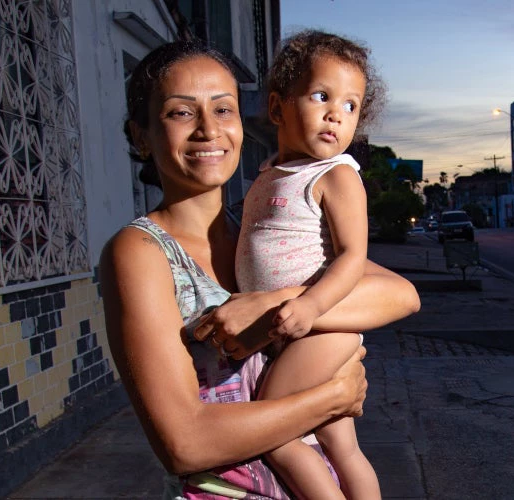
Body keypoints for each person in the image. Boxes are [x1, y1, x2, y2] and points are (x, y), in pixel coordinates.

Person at [100, 39, 419, 500]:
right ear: (141, 135)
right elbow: (184, 444)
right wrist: (333, 397)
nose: (209, 130)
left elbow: (400, 295)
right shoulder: (140, 252)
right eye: (180, 113)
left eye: (224, 110)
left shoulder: (262, 229)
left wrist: (270, 304)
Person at [232, 30, 383, 500]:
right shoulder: (272, 173)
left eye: (351, 105)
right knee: (342, 446)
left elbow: (354, 257)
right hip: (295, 333)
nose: (337, 113)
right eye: (322, 96)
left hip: (321, 329)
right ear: (278, 108)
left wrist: (312, 306)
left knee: (276, 432)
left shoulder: (336, 175)